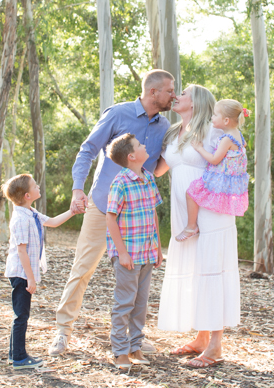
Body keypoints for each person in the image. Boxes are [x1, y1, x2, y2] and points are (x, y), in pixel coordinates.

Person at [49, 69, 175, 356]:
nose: (173, 95)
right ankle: (62, 331)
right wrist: (77, 189)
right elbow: (88, 149)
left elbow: (155, 168)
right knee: (83, 268)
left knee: (138, 279)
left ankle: (133, 340)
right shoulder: (118, 114)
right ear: (153, 92)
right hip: (103, 205)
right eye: (169, 90)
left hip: (137, 217)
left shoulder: (164, 125)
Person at [155, 85, 241, 368]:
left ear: (197, 102)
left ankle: (215, 345)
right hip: (186, 214)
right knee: (196, 270)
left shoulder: (213, 132)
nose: (177, 95)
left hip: (211, 210)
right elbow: (160, 169)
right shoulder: (173, 132)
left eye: (184, 92)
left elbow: (230, 166)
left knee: (212, 269)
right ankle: (202, 338)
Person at [3, 174, 81, 370]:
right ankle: (20, 358)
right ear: (28, 195)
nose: (39, 186)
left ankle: (15, 355)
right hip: (21, 273)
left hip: (24, 272)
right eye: (35, 185)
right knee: (21, 316)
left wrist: (72, 211)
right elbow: (21, 250)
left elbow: (53, 222)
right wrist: (30, 278)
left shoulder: (31, 213)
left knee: (21, 315)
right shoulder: (21, 218)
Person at [105, 133, 163, 369]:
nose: (144, 145)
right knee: (125, 304)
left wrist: (158, 247)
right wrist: (122, 253)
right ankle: (120, 351)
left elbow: (153, 213)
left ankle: (135, 347)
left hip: (148, 252)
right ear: (131, 156)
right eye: (140, 145)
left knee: (140, 303)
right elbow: (110, 219)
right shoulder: (120, 182)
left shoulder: (148, 177)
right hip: (128, 255)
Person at [175, 99, 249, 242]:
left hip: (219, 177)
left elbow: (215, 159)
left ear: (226, 120)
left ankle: (191, 226)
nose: (212, 117)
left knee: (191, 192)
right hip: (231, 179)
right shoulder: (238, 135)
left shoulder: (227, 139)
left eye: (215, 115)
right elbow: (242, 146)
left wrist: (199, 148)